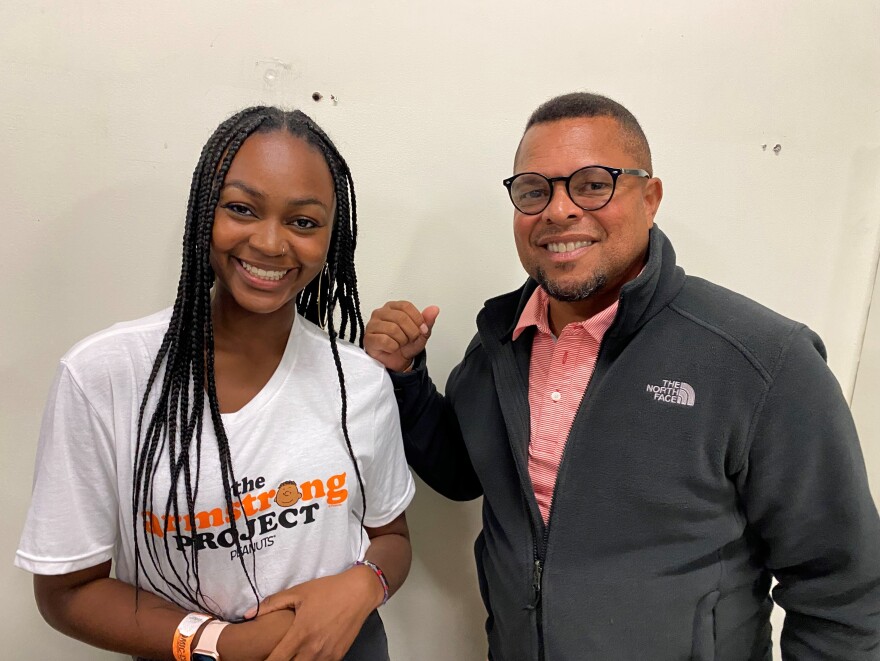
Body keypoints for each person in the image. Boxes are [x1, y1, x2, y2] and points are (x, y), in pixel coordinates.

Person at [364, 92, 880, 659]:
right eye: (535, 190)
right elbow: (464, 473)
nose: (558, 210)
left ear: (650, 196)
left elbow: (843, 592)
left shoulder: (763, 361)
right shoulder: (500, 344)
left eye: (592, 183)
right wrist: (407, 378)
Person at [16, 107, 415, 661]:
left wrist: (362, 583)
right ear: (205, 211)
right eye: (242, 209)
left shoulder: (360, 382)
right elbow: (67, 590)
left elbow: (392, 538)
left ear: (332, 236)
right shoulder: (105, 376)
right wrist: (223, 643)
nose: (272, 243)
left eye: (303, 221)